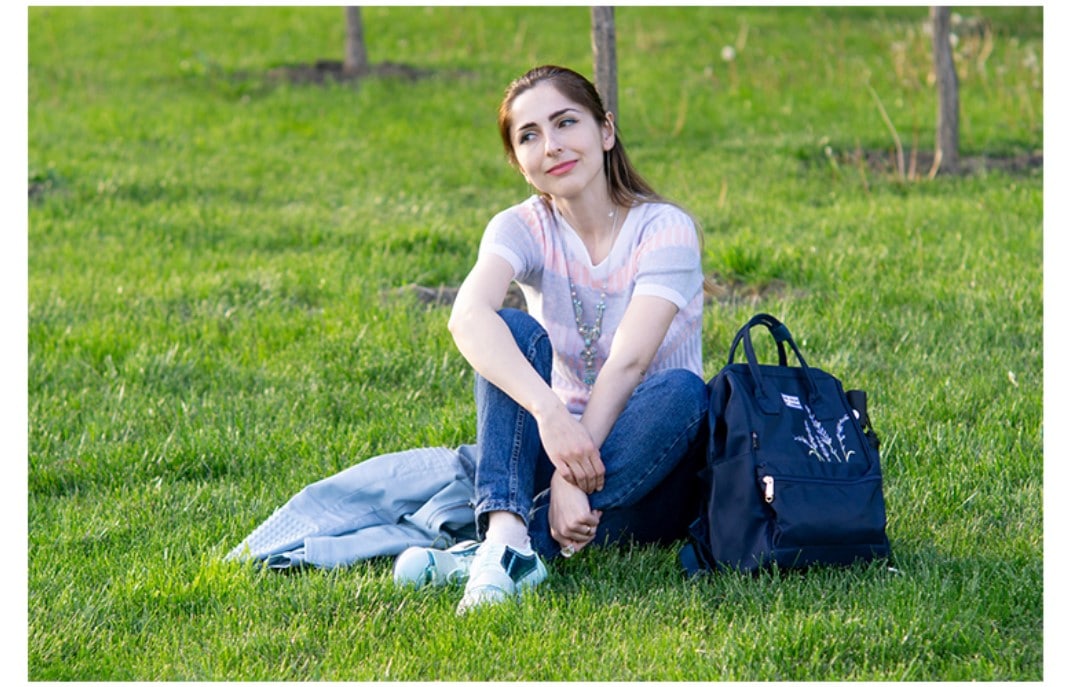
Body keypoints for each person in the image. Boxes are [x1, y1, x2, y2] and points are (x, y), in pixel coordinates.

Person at [394, 65, 711, 614]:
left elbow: (631, 361)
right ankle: (506, 540)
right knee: (511, 330)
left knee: (682, 390)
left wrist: (571, 480)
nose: (552, 146)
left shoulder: (665, 229)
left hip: (653, 460)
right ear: (518, 162)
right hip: (562, 441)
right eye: (529, 136)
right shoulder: (521, 226)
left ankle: (502, 547)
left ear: (605, 131)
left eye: (566, 123)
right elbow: (466, 316)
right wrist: (549, 413)